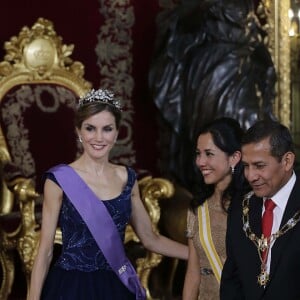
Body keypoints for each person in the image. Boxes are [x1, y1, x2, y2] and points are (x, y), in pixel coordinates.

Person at [28, 88, 188, 300]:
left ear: (117, 132)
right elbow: (46, 250)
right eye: (90, 128)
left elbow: (150, 239)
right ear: (78, 131)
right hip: (71, 287)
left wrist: (196, 254)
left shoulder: (128, 179)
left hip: (115, 283)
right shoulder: (59, 180)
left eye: (107, 129)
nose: (98, 137)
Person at [148, 0, 276, 196]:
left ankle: (246, 191)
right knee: (215, 131)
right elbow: (179, 23)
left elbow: (257, 30)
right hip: (213, 68)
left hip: (245, 67)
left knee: (251, 123)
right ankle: (212, 193)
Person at [220, 120, 300, 300]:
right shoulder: (240, 206)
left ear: (287, 161)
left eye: (259, 166)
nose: (250, 176)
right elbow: (232, 280)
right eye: (246, 166)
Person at [182, 117, 248, 300]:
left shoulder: (251, 206)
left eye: (209, 154)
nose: (200, 162)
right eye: (198, 153)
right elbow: (193, 273)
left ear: (234, 157)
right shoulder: (197, 208)